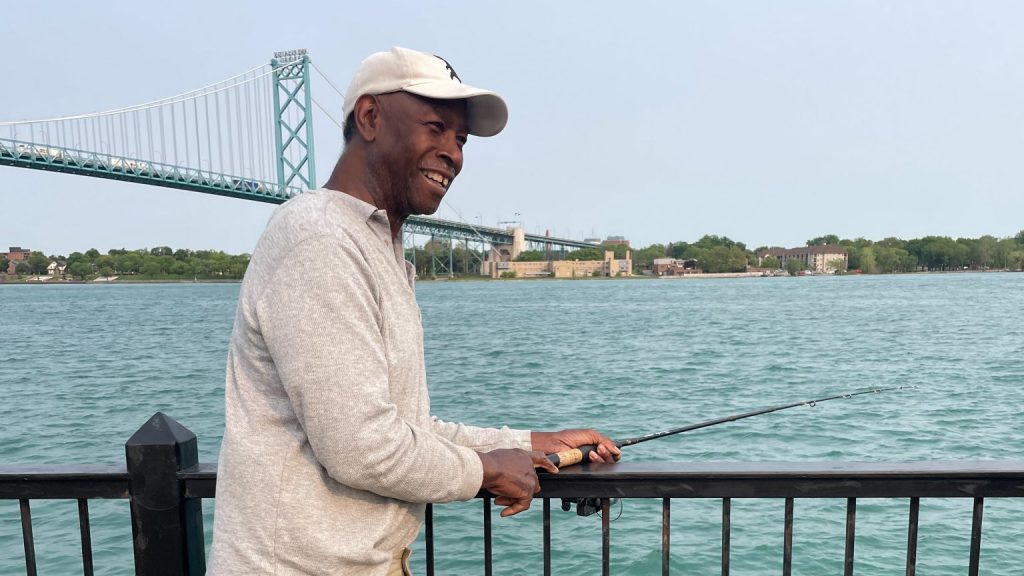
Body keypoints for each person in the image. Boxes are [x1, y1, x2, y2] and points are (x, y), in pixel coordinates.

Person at [207, 46, 620, 576]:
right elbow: (362, 447)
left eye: (461, 139)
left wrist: (523, 443)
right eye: (435, 127)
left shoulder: (377, 246)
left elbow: (402, 427)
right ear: (370, 117)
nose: (453, 153)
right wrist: (488, 469)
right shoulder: (318, 238)